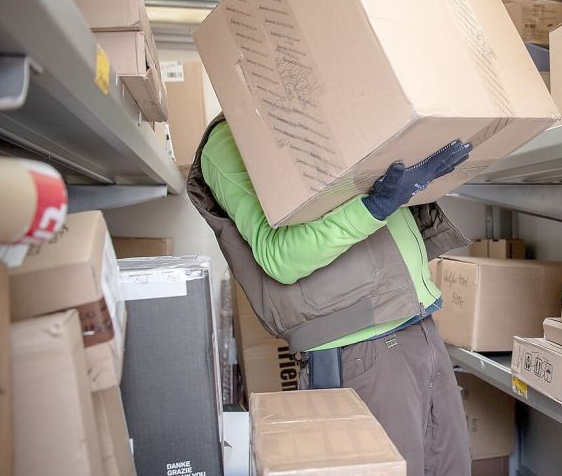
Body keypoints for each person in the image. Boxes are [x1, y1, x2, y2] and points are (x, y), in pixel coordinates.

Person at [186, 115, 474, 476]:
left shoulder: (334, 110)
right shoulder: (230, 140)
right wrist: (374, 207)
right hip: (359, 346)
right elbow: (281, 257)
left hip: (419, 324)